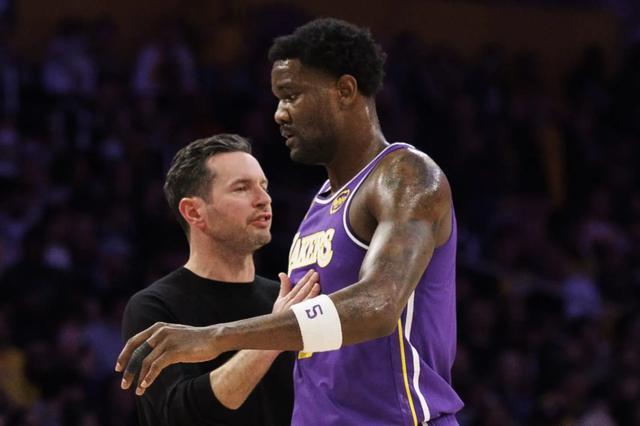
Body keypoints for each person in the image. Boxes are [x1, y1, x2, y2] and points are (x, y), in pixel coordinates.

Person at [117, 18, 464, 426]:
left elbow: (378, 306)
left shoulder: (405, 177)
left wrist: (214, 337)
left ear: (345, 90)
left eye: (291, 95)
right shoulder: (319, 206)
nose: (279, 114)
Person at [121, 133, 320, 426]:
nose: (264, 199)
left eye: (264, 186)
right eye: (241, 188)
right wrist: (276, 331)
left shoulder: (285, 298)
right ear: (194, 212)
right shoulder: (153, 307)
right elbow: (177, 417)